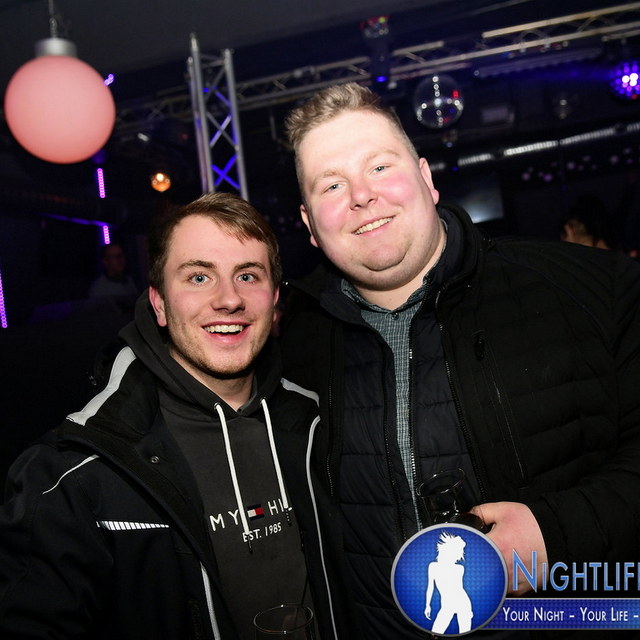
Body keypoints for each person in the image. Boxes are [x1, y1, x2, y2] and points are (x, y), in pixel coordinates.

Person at [280, 82, 640, 638]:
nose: (361, 196)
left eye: (380, 167)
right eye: (332, 184)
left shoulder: (593, 290)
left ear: (426, 178)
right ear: (309, 224)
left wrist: (555, 533)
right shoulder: (289, 348)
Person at [0, 192, 352, 639]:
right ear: (160, 304)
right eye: (199, 277)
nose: (229, 299)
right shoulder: (79, 471)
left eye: (247, 275)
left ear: (275, 300)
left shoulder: (315, 423)